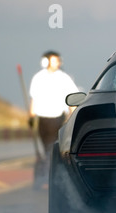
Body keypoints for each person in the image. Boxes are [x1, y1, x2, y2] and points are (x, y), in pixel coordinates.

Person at [28, 50, 78, 189]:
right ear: (46, 61)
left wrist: (71, 116)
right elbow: (34, 98)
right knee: (44, 150)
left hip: (57, 119)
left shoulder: (63, 78)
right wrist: (31, 116)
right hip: (42, 119)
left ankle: (50, 178)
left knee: (52, 149)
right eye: (54, 60)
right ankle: (42, 178)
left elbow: (72, 98)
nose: (57, 63)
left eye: (58, 60)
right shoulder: (38, 78)